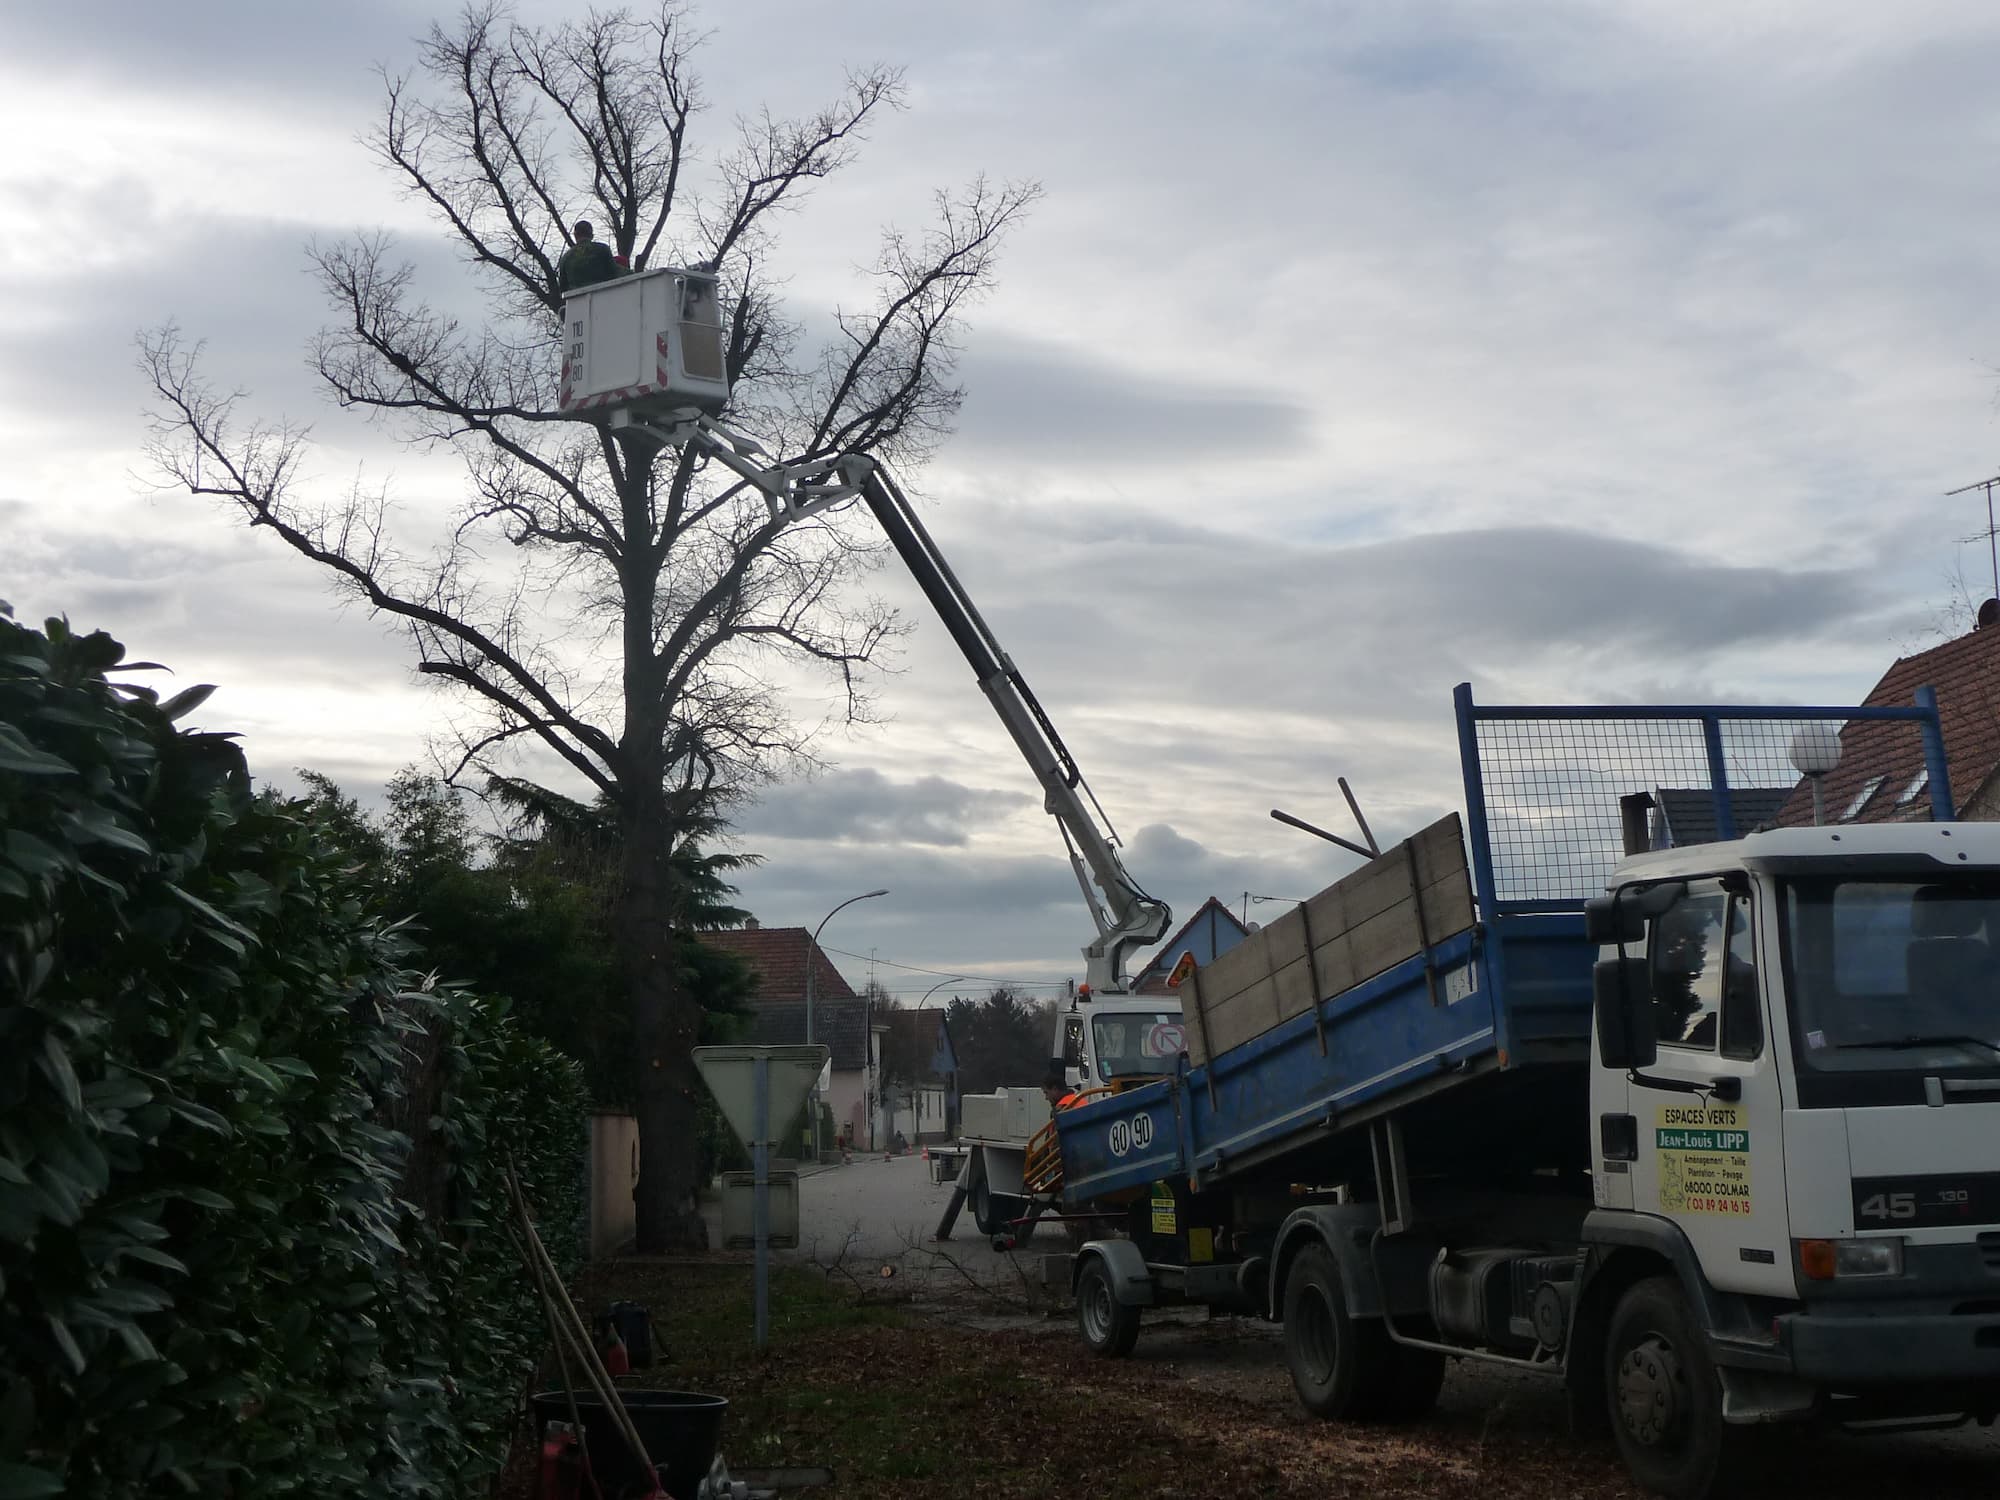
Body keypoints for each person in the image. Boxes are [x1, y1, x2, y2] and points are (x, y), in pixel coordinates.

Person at [557, 220, 617, 292]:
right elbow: (614, 273)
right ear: (591, 235)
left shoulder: (566, 257)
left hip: (576, 300)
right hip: (603, 295)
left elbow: (563, 287)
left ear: (575, 235)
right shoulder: (603, 249)